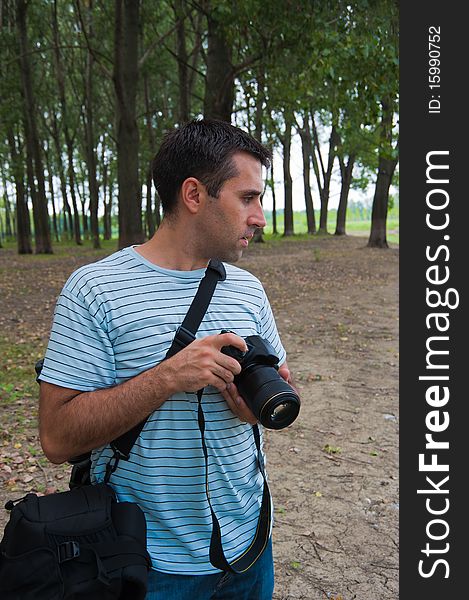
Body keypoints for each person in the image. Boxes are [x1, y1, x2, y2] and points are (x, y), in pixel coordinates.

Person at [38, 118, 296, 600]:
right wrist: (166, 378)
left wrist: (256, 401)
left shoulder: (248, 290)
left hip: (250, 548)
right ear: (194, 195)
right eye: (248, 198)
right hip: (146, 562)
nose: (260, 217)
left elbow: (279, 391)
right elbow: (56, 438)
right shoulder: (95, 291)